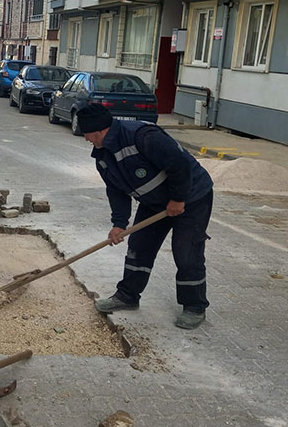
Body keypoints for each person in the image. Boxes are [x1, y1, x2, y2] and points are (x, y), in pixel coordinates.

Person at [77, 104, 214, 329]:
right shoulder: (102, 156)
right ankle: (127, 296)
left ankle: (195, 306)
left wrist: (178, 199)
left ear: (100, 130)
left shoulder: (143, 136)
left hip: (192, 196)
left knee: (186, 251)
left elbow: (179, 164)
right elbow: (116, 191)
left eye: (87, 134)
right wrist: (119, 224)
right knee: (139, 246)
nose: (86, 139)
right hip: (154, 202)